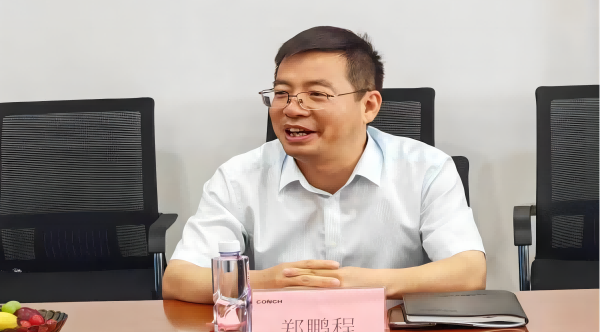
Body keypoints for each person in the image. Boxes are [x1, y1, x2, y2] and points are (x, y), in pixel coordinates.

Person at [163, 26, 486, 304]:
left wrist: (365, 283)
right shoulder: (239, 177)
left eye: (317, 94)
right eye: (282, 93)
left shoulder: (426, 169)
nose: (292, 109)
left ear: (369, 106)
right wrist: (267, 282)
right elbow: (179, 278)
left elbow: (469, 271)